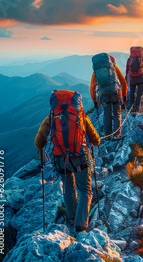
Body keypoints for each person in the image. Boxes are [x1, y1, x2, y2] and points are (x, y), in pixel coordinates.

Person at [35, 90, 100, 233]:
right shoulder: (81, 115)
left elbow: (38, 143)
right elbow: (95, 138)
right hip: (79, 159)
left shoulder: (51, 117)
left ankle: (72, 219)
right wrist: (94, 141)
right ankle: (81, 225)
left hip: (60, 160)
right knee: (85, 191)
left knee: (69, 187)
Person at [90, 54, 127, 140]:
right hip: (115, 94)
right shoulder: (114, 68)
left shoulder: (95, 72)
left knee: (107, 115)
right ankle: (117, 135)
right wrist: (124, 95)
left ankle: (107, 135)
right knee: (117, 113)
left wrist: (95, 101)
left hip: (104, 96)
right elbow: (123, 81)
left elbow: (92, 88)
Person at [126, 46, 143, 113]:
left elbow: (127, 70)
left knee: (132, 93)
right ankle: (136, 109)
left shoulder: (129, 59)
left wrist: (127, 80)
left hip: (132, 79)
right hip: (141, 79)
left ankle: (131, 107)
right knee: (139, 95)